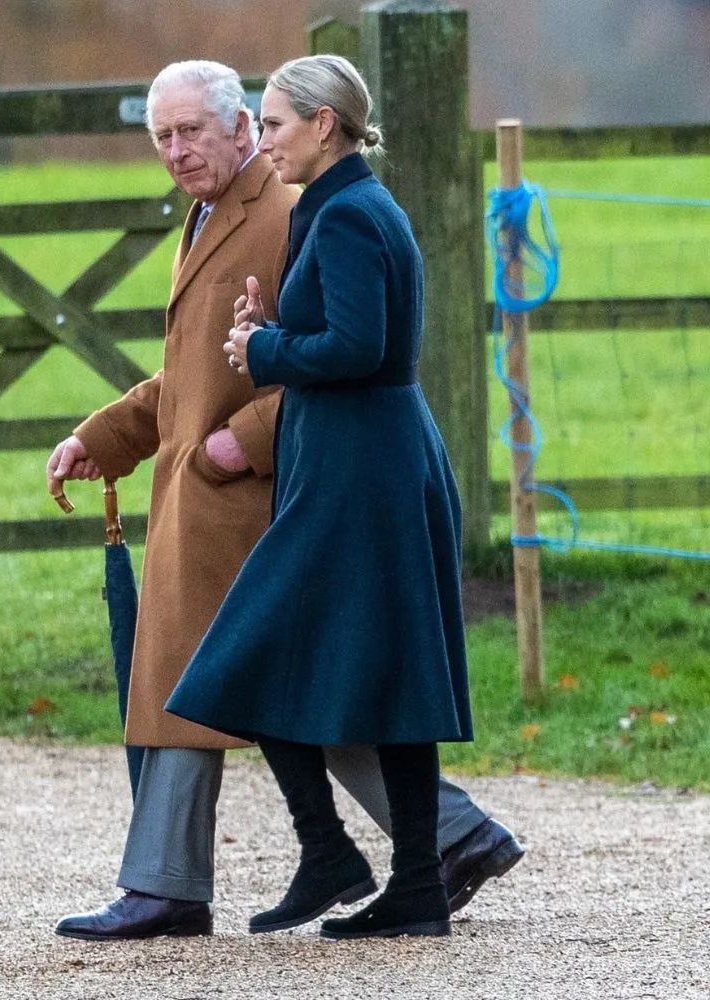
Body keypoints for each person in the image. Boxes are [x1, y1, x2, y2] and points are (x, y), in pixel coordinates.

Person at [47, 60, 521, 942]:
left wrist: (246, 438)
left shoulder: (292, 211)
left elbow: (337, 348)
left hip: (273, 490)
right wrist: (102, 438)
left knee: (236, 677)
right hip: (241, 484)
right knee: (294, 684)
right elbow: (197, 371)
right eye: (162, 136)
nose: (177, 151)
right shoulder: (211, 216)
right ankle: (447, 841)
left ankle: (172, 883)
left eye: (199, 131)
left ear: (250, 128)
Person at [165, 53, 481, 940]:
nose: (261, 140)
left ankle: (356, 860)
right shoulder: (342, 207)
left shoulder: (345, 216)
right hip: (357, 459)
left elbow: (355, 346)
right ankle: (389, 873)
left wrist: (263, 354)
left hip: (360, 471)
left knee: (249, 650)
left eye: (270, 124)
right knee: (380, 666)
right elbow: (343, 336)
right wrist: (271, 328)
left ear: (322, 125)